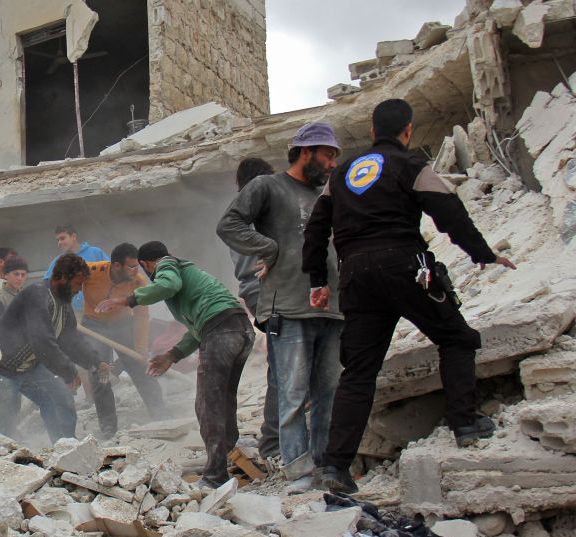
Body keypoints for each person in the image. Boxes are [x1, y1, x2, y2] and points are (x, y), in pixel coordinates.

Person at [302, 99, 517, 494]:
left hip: (356, 276)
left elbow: (316, 230)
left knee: (359, 372)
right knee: (457, 338)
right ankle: (466, 424)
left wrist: (318, 279)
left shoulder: (343, 174)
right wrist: (483, 254)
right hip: (406, 268)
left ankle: (335, 468)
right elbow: (449, 212)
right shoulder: (412, 166)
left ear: (371, 131)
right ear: (408, 131)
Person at [217, 123, 344, 494]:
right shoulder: (267, 186)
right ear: (305, 152)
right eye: (328, 154)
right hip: (287, 304)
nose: (333, 163)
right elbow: (229, 224)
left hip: (331, 306)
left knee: (327, 392)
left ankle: (324, 467)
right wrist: (268, 248)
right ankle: (298, 471)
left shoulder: (327, 194)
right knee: (290, 390)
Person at [97, 242, 253, 488]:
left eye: (143, 269)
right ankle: (228, 455)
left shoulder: (167, 265)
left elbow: (168, 285)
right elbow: (200, 328)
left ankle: (215, 476)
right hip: (240, 330)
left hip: (221, 332)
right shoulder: (193, 282)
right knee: (224, 398)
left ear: (148, 264)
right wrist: (171, 355)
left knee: (207, 404)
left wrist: (127, 300)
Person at [0, 254, 111, 442]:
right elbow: (42, 340)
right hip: (1, 367)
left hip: (30, 367)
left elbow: (71, 340)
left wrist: (96, 361)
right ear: (62, 278)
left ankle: (66, 447)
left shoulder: (63, 305)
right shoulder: (36, 295)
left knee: (60, 399)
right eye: (77, 283)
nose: (79, 290)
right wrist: (68, 372)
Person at [80, 243, 167, 438]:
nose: (137, 270)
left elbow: (141, 315)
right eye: (132, 266)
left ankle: (161, 415)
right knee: (99, 374)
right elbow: (69, 281)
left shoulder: (137, 282)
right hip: (93, 326)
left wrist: (141, 348)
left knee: (141, 369)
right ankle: (108, 427)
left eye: (137, 266)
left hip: (122, 324)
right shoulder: (92, 271)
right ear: (117, 266)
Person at [225, 157, 278, 460]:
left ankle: (276, 436)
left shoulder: (237, 209)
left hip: (255, 294)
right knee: (285, 361)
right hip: (268, 290)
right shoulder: (257, 203)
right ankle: (274, 439)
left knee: (283, 360)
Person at [43, 224, 108, 313]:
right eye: (57, 240)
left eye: (62, 238)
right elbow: (47, 285)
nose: (59, 243)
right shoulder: (58, 261)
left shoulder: (95, 252)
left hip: (97, 311)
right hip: (71, 313)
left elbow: (112, 274)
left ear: (73, 236)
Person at [0, 254, 29, 331]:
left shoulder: (27, 296)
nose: (20, 278)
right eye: (16, 274)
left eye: (23, 275)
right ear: (6, 275)